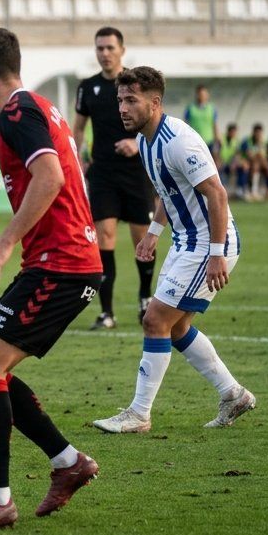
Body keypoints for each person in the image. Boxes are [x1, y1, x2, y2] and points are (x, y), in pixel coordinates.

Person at [0, 28, 101, 532]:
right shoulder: (42, 107)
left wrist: (5, 243)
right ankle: (67, 462)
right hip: (62, 262)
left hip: (62, 264)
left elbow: (50, 177)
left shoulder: (16, 112)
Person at [91, 66, 254, 434]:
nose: (122, 108)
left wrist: (215, 253)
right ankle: (233, 394)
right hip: (187, 241)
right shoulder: (147, 141)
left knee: (154, 319)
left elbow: (217, 193)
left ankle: (139, 414)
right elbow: (169, 190)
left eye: (131, 100)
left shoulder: (178, 139)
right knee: (177, 328)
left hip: (208, 242)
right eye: (120, 100)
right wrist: (152, 232)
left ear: (155, 102)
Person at [72, 27, 156, 329]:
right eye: (100, 48)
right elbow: (78, 127)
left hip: (136, 173)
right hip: (103, 173)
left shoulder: (137, 84)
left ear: (122, 50)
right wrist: (78, 157)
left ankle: (145, 299)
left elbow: (155, 122)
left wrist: (137, 144)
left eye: (110, 48)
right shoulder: (87, 87)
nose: (104, 53)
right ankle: (107, 312)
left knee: (142, 241)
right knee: (104, 238)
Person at [237, 123, 268, 200]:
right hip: (247, 162)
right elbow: (249, 155)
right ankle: (250, 191)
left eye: (260, 133)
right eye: (257, 133)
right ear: (253, 132)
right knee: (255, 164)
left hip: (260, 164)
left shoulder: (264, 142)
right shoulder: (247, 141)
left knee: (267, 168)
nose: (258, 135)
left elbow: (264, 156)